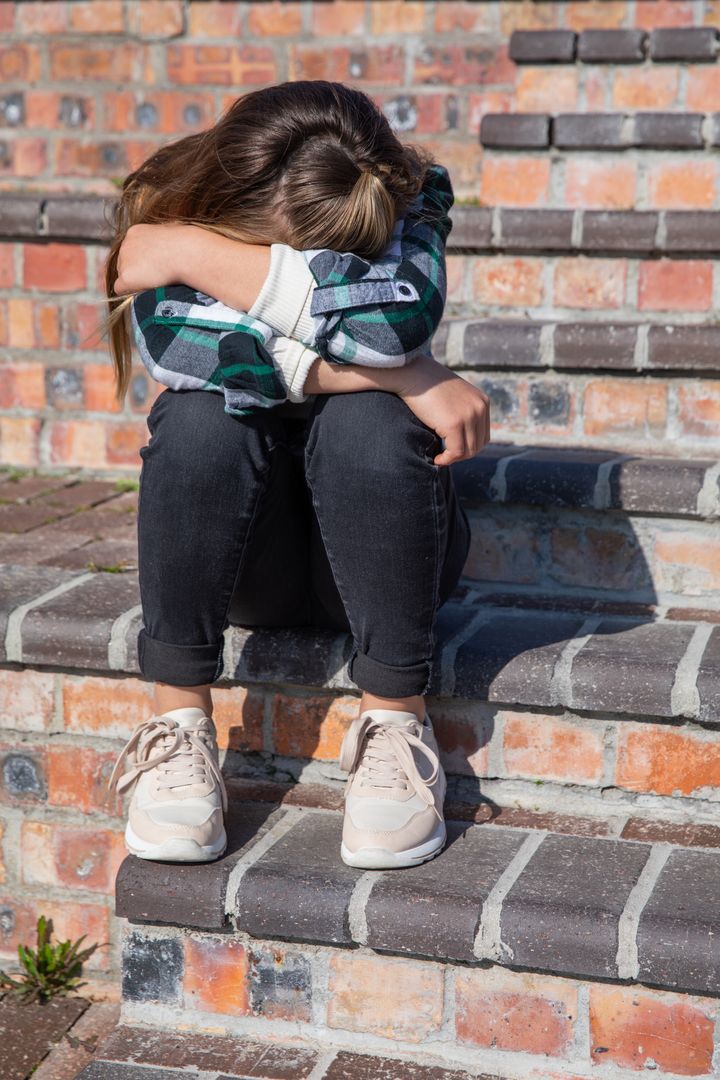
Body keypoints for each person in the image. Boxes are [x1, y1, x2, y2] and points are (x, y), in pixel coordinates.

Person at [102, 80, 490, 871]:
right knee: (199, 416)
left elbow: (395, 324)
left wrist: (206, 263)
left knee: (369, 424)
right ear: (225, 202)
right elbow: (184, 353)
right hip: (254, 560)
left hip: (392, 549)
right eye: (264, 252)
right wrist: (407, 377)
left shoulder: (401, 198)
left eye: (325, 264)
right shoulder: (173, 201)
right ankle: (178, 728)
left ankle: (394, 721)